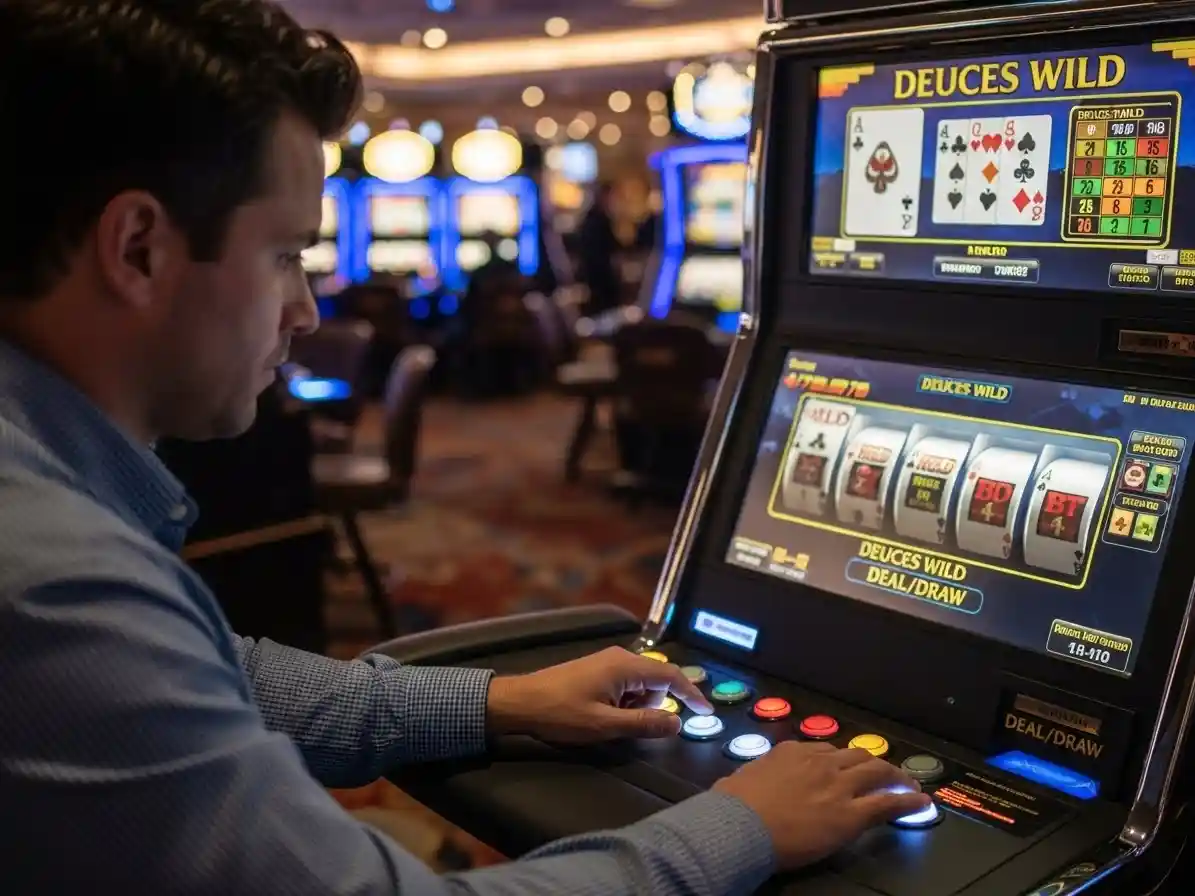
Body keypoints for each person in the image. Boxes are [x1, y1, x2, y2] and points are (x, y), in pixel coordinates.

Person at [0, 2, 930, 894]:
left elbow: (208, 677)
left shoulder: (51, 508)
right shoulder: (53, 584)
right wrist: (743, 827)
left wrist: (500, 703)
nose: (306, 310)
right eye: (286, 254)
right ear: (138, 249)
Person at [577, 181, 624, 316]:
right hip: (599, 275)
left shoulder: (595, 218)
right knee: (604, 311)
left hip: (596, 275)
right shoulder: (597, 220)